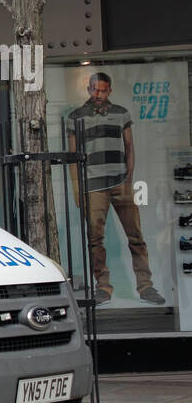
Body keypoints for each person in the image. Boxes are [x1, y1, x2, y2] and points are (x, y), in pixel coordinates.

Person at [67, 71, 164, 305]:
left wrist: (129, 179)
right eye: (95, 89)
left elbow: (129, 147)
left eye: (103, 90)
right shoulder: (76, 116)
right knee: (95, 239)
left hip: (121, 182)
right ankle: (103, 287)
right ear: (89, 89)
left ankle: (146, 286)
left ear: (110, 90)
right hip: (93, 186)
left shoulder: (121, 113)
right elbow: (72, 156)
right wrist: (78, 190)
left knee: (136, 236)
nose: (98, 94)